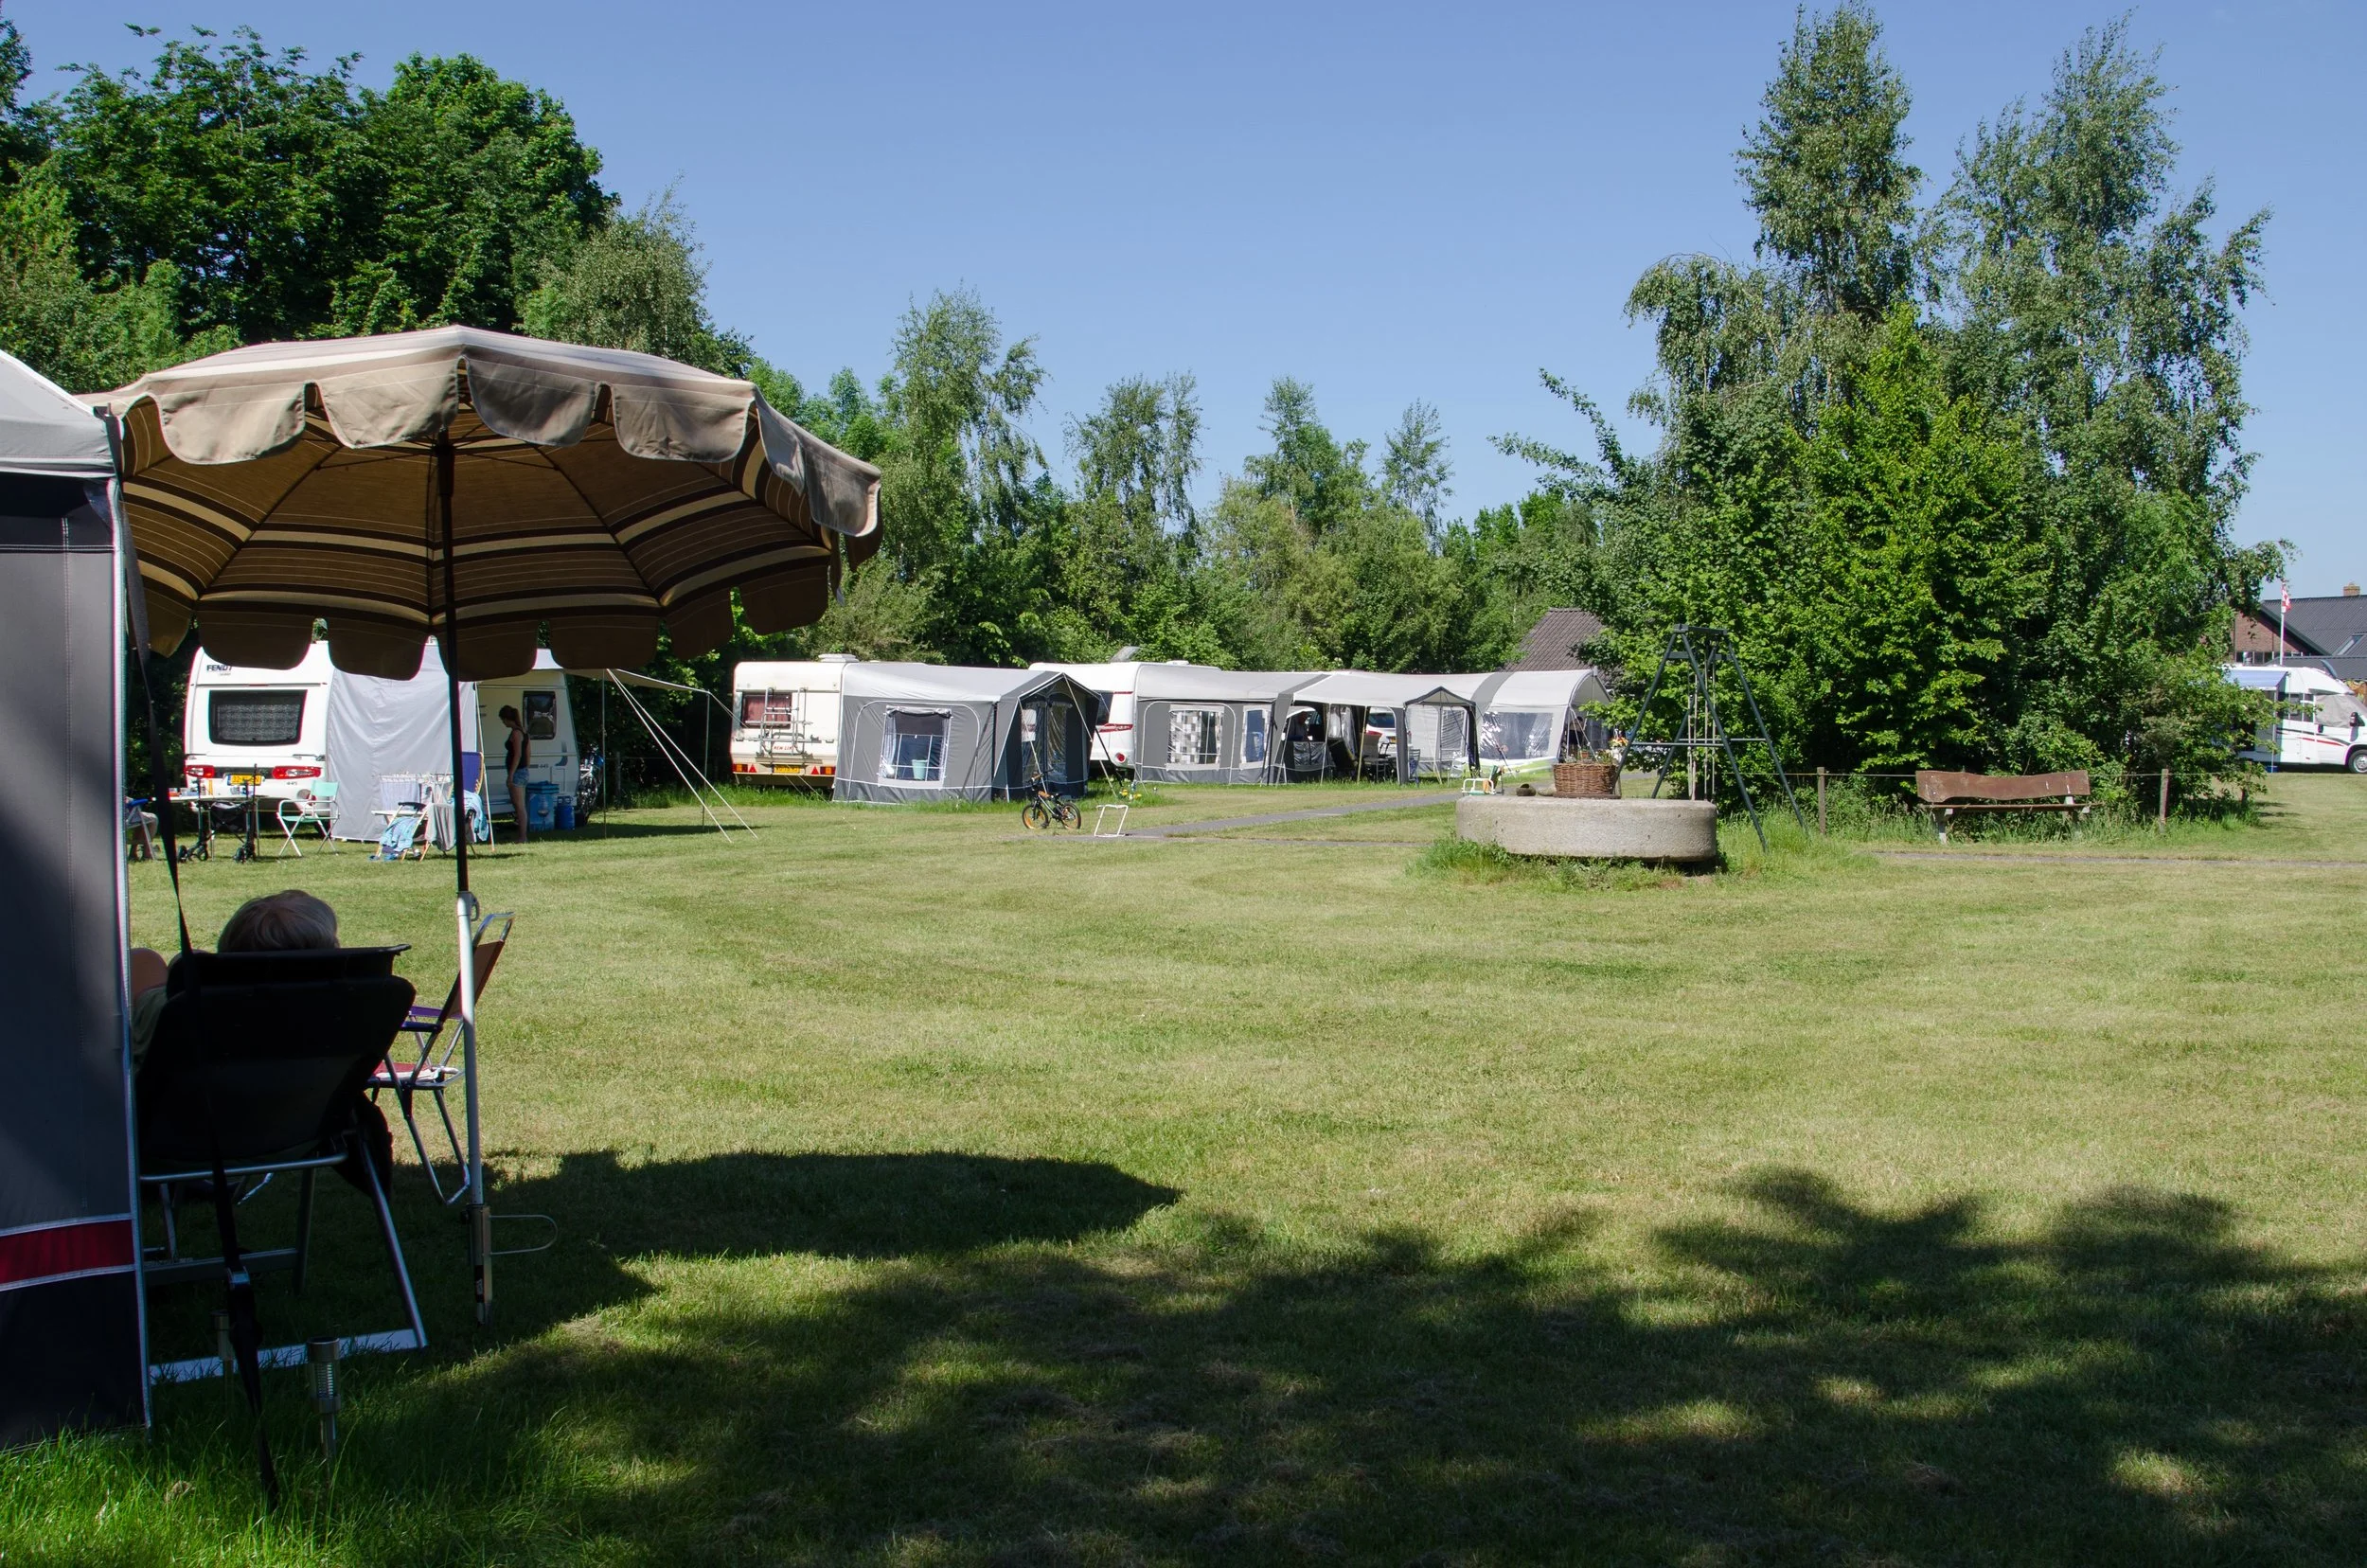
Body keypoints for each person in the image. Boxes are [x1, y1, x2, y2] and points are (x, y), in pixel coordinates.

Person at [128, 891, 393, 1186]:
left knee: (145, 961)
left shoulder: (175, 1013)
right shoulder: (343, 1016)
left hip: (179, 1142)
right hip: (299, 1137)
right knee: (188, 963)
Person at [499, 704, 530, 844]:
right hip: (522, 771)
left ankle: (523, 837)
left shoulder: (516, 733)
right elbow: (528, 754)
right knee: (518, 805)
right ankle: (521, 835)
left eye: (503, 720)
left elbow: (517, 754)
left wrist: (511, 774)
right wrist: (526, 766)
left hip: (517, 772)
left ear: (507, 719)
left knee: (519, 806)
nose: (503, 723)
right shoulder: (524, 732)